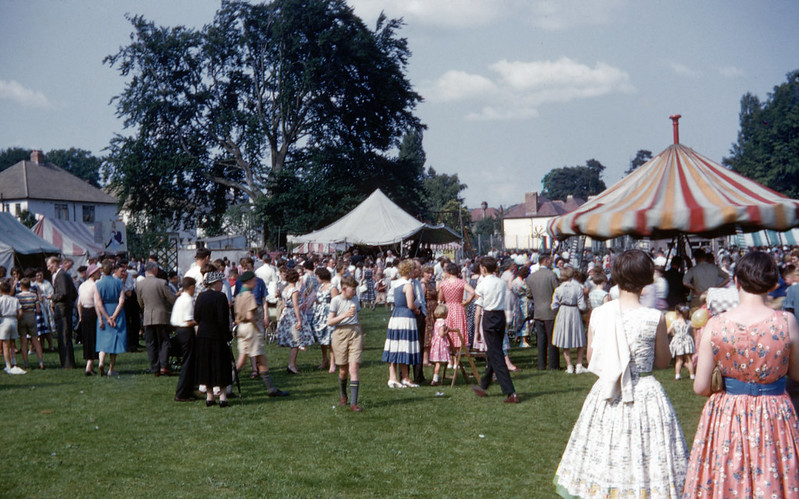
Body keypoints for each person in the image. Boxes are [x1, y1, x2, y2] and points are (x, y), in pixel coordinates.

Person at [554, 249, 689, 498]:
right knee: (647, 451)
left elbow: (594, 358)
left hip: (608, 389)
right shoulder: (654, 317)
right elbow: (662, 362)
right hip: (645, 392)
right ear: (647, 278)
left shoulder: (599, 314)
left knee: (607, 449)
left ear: (615, 276)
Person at [683, 251, 799, 497]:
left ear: (736, 282)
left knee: (728, 479)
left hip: (727, 415)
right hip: (774, 413)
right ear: (773, 283)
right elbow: (797, 373)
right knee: (775, 476)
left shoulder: (716, 324)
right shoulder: (786, 321)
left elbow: (700, 387)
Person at [471, 257, 519, 403]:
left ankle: (510, 392)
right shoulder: (501, 282)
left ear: (484, 269)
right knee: (493, 351)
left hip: (489, 317)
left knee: (496, 355)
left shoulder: (482, 283)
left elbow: (479, 308)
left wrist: (477, 331)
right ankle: (484, 385)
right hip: (500, 316)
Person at [194, 271, 233, 407]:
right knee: (220, 365)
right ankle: (222, 397)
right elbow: (223, 319)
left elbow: (196, 317)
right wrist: (228, 335)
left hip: (203, 335)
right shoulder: (220, 297)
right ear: (215, 283)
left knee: (206, 365)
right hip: (217, 336)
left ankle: (209, 396)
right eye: (220, 282)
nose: (222, 284)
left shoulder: (201, 296)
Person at [382, 260, 421, 388]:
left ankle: (400, 377)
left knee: (396, 345)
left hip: (396, 316)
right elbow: (410, 304)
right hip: (406, 317)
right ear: (409, 271)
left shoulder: (396, 283)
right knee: (405, 345)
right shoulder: (408, 285)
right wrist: (417, 308)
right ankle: (399, 377)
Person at [327, 275, 363, 412]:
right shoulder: (336, 300)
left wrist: (362, 336)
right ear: (343, 288)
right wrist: (344, 315)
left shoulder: (355, 299)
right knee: (343, 370)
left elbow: (358, 318)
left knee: (353, 368)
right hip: (340, 334)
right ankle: (343, 395)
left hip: (355, 333)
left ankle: (354, 403)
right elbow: (329, 321)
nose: (354, 292)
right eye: (352, 289)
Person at [136, 262, 177, 376]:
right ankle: (163, 365)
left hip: (148, 316)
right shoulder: (161, 283)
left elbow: (140, 302)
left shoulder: (140, 284)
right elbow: (171, 298)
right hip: (162, 316)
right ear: (154, 269)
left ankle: (154, 367)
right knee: (164, 341)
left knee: (150, 343)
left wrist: (146, 309)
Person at [276, 268, 315, 374]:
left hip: (286, 313)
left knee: (294, 340)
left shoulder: (285, 289)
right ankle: (291, 364)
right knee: (296, 341)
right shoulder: (294, 290)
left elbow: (284, 304)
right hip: (293, 315)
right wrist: (299, 320)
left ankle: (293, 364)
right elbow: (296, 306)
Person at [526, 254, 560, 370]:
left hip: (538, 311)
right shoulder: (551, 275)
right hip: (550, 310)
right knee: (552, 339)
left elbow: (529, 294)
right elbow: (557, 291)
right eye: (550, 260)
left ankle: (541, 364)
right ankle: (553, 364)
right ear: (545, 261)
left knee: (541, 339)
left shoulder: (531, 277)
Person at [551, 266, 588, 374]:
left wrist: (559, 304)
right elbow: (582, 306)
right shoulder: (577, 288)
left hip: (563, 312)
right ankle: (579, 365)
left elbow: (553, 306)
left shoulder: (558, 289)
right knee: (580, 339)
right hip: (574, 312)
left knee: (564, 339)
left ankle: (569, 366)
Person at [94, 262, 127, 376]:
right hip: (116, 312)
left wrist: (106, 318)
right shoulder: (119, 282)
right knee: (115, 341)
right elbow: (122, 301)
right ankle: (111, 369)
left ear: (102, 271)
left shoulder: (98, 284)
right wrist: (114, 316)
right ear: (112, 270)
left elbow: (98, 303)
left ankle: (101, 362)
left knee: (103, 340)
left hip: (104, 312)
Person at [437, 262, 475, 362]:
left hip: (448, 307)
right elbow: (472, 292)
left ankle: (450, 360)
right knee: (458, 331)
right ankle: (456, 360)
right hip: (458, 307)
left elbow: (440, 297)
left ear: (448, 272)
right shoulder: (461, 282)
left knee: (448, 331)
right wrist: (466, 302)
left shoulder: (443, 283)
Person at [171, 277, 198, 402]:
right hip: (186, 332)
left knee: (189, 362)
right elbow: (188, 322)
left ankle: (188, 389)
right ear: (191, 287)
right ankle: (181, 392)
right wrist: (199, 321)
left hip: (178, 331)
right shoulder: (188, 301)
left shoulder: (180, 298)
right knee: (188, 363)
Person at [49, 256, 77, 368]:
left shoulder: (61, 276)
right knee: (64, 336)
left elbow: (64, 293)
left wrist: (53, 297)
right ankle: (67, 362)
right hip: (65, 308)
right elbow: (73, 293)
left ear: (56, 264)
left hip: (63, 309)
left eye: (50, 266)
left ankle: (67, 364)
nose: (48, 268)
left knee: (64, 336)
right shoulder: (64, 275)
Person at [312, 267, 337, 373]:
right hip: (319, 313)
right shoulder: (321, 286)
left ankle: (332, 362)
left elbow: (335, 302)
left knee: (330, 339)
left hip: (328, 313)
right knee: (322, 338)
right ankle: (324, 359)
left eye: (317, 276)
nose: (316, 278)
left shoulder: (332, 287)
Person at [77, 264, 101, 375]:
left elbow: (79, 303)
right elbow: (97, 303)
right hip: (93, 312)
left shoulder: (82, 285)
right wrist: (100, 317)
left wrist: (80, 316)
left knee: (87, 339)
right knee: (94, 339)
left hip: (85, 313)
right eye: (97, 272)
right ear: (93, 273)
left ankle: (89, 365)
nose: (100, 273)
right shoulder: (95, 285)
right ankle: (89, 365)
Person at [16, 278, 43, 370]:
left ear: (21, 286)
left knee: (23, 341)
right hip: (31, 316)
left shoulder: (18, 296)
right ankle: (41, 362)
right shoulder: (34, 295)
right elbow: (38, 309)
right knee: (35, 340)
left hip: (22, 317)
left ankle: (26, 363)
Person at [0, 281, 24, 374]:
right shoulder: (15, 299)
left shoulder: (1, 300)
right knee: (12, 344)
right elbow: (20, 312)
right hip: (13, 320)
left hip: (4, 321)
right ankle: (14, 362)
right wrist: (16, 318)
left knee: (5, 345)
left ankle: (8, 365)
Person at [667, 304, 695, 381]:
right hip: (687, 340)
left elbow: (668, 332)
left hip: (678, 341)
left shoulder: (674, 322)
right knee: (689, 359)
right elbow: (696, 327)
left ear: (676, 312)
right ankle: (692, 375)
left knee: (679, 360)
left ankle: (677, 375)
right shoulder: (689, 322)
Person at [429, 304, 452, 386]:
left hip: (436, 342)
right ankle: (435, 379)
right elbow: (441, 334)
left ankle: (435, 379)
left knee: (437, 363)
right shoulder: (442, 322)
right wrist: (447, 331)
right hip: (440, 343)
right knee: (438, 363)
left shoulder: (436, 322)